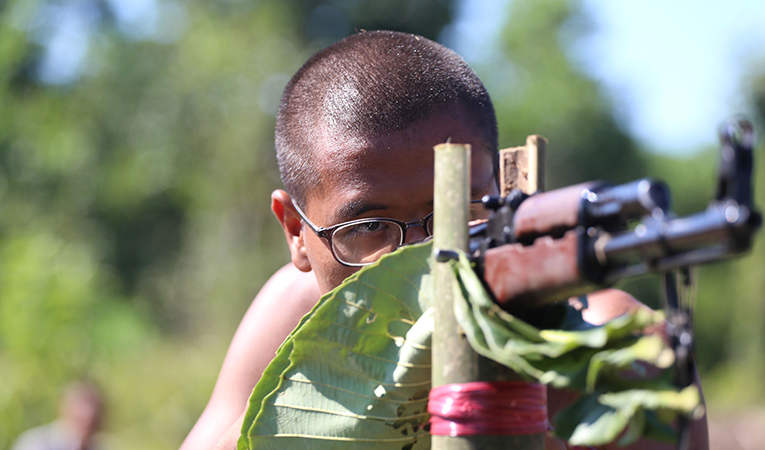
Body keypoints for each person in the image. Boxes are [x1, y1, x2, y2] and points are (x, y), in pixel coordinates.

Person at [180, 30, 708, 450]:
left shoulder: (610, 348)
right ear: (296, 231)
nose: (417, 259)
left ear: (503, 192)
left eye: (457, 214)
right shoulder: (294, 310)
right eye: (368, 228)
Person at [12, 381, 105, 450]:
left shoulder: (97, 446)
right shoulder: (36, 443)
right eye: (80, 419)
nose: (86, 424)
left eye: (92, 422)